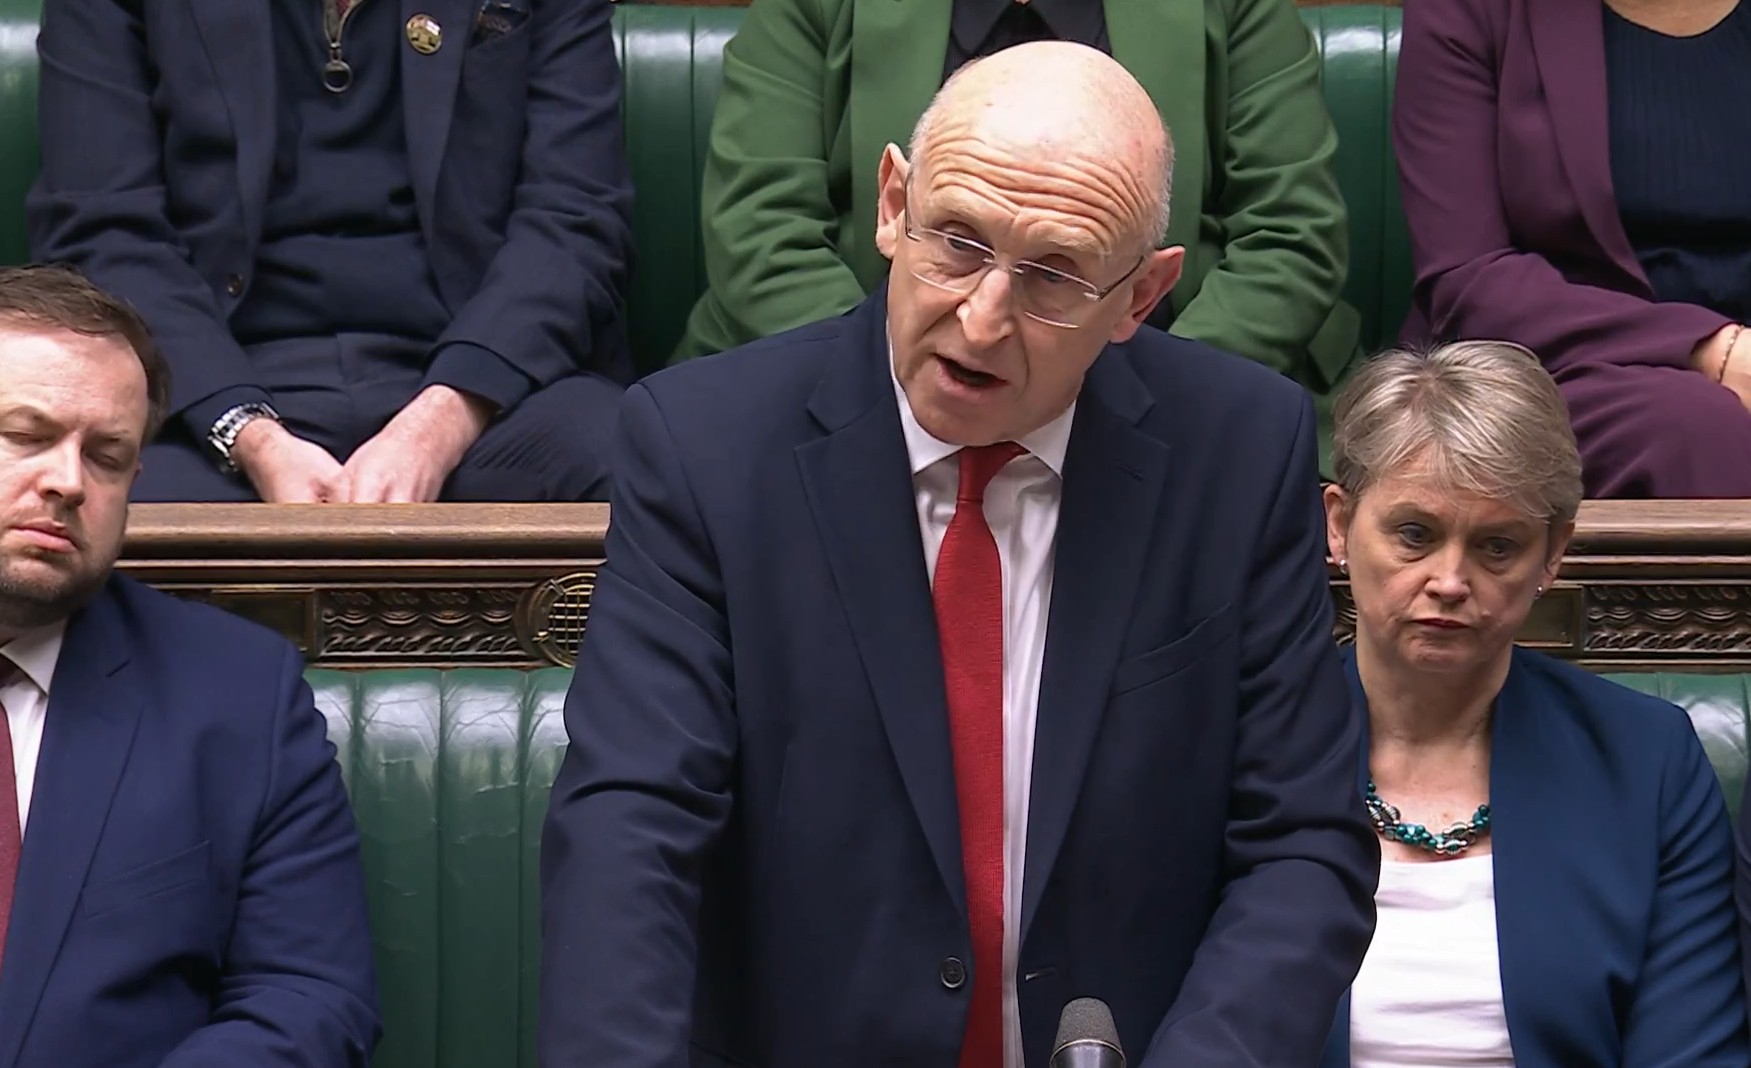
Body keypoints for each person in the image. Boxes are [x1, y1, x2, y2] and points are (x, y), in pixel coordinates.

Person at [541, 41, 1377, 1068]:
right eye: (958, 242)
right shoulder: (706, 449)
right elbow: (630, 829)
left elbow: (1299, 844)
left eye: (1052, 277)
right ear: (892, 203)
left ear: (1139, 297)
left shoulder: (1238, 452)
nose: (980, 321)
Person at [676, 0, 1360, 468]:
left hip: (1171, 373)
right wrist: (893, 393)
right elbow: (762, 225)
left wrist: (1120, 402)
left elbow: (1288, 236)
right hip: (858, 366)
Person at [1317, 341, 1748, 1068]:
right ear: (1339, 524)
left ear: (1552, 553)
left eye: (1496, 546)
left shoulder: (1646, 762)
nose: (1449, 580)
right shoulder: (1245, 746)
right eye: (1414, 535)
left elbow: (1688, 1052)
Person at [29, 0, 633, 504]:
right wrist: (250, 434)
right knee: (79, 502)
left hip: (484, 388)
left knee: (634, 461)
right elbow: (105, 229)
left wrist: (441, 422)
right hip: (207, 388)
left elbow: (575, 219)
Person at [0, 265, 378, 1063]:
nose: (68, 482)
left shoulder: (235, 693)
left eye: (106, 456)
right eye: (26, 435)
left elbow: (308, 996)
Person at [1393, 0, 1751, 498]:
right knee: (1698, 429)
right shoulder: (1471, 10)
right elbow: (1468, 278)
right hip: (1559, 366)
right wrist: (1714, 349)